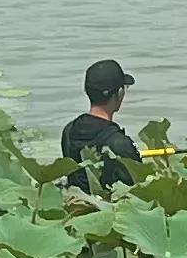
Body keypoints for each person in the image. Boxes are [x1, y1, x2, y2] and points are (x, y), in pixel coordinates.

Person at [60, 58, 143, 195]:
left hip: (77, 208)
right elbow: (137, 191)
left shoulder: (68, 131)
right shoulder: (119, 143)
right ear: (120, 93)